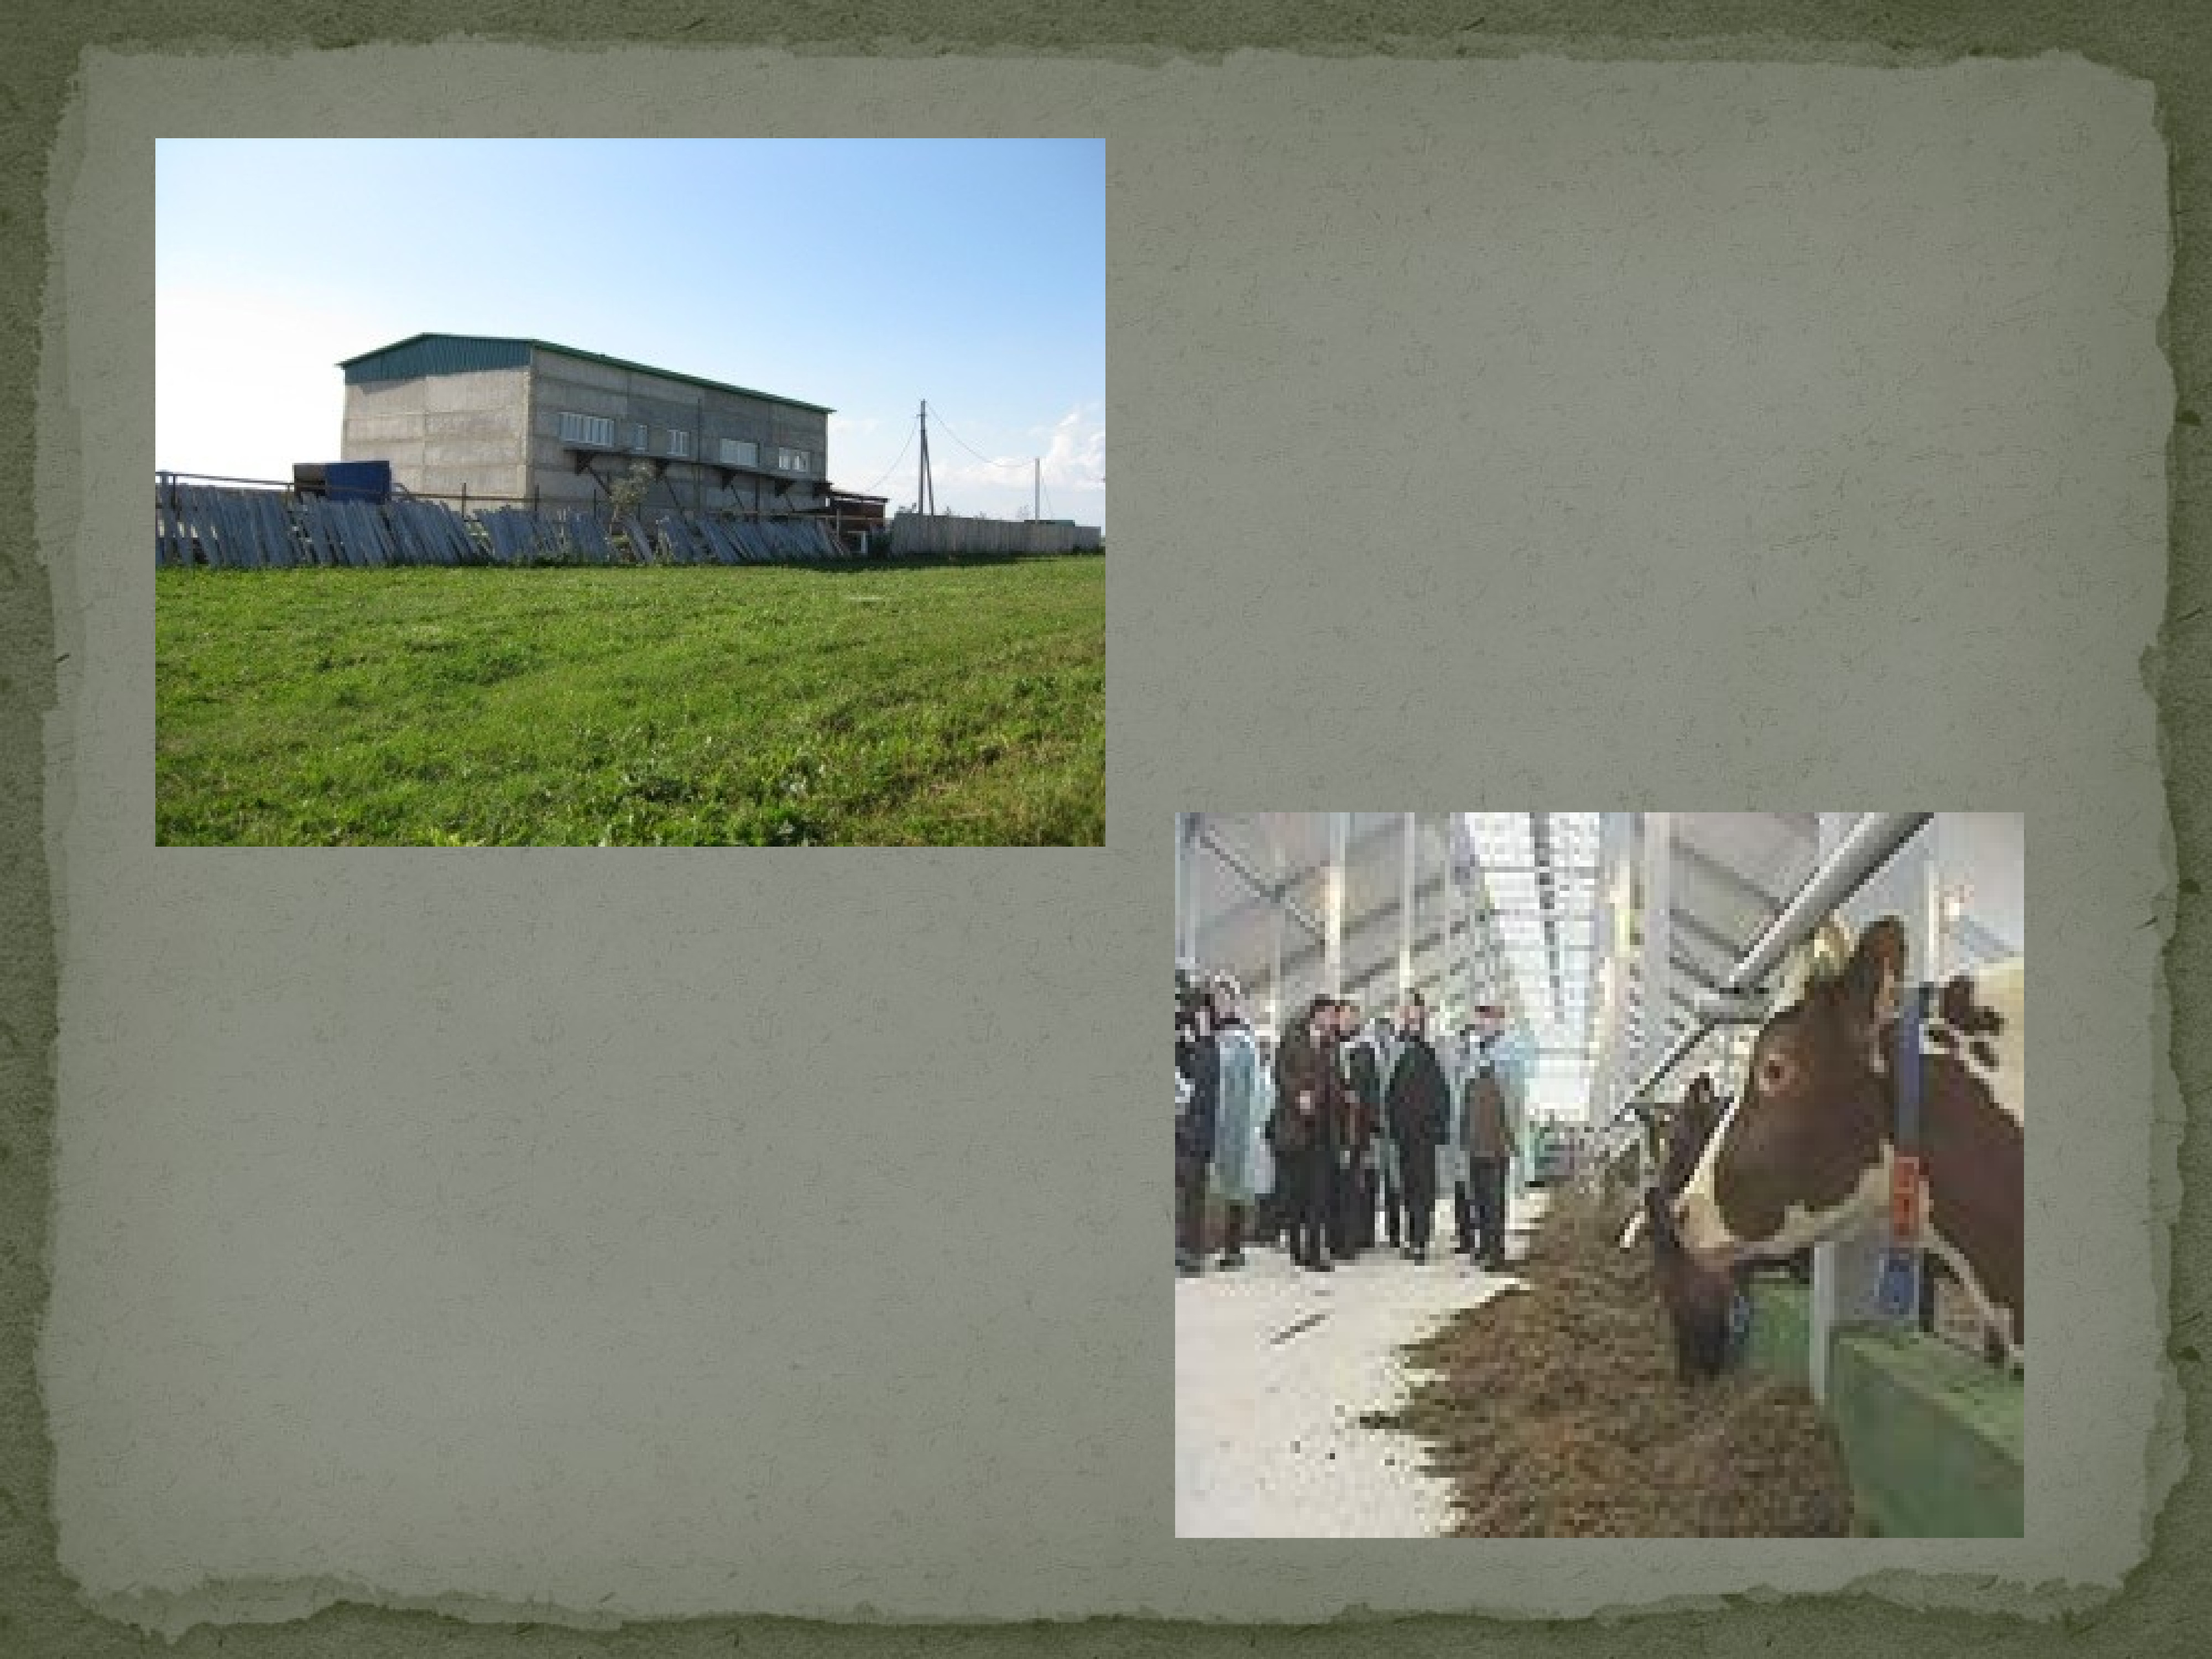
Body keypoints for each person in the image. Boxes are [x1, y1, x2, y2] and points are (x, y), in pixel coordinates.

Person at [1271, 994, 1344, 1272]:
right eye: (1327, 1016)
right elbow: (1280, 1072)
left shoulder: (1331, 1045)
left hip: (1323, 1130)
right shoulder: (1293, 1036)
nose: (1331, 1021)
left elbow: (1334, 1079)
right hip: (1295, 1128)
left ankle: (1315, 1253)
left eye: (1333, 1017)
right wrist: (1297, 1095)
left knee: (1318, 1194)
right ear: (1316, 1015)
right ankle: (1296, 1249)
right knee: (1295, 1193)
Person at [1383, 990, 1450, 1263]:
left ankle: (1421, 1241)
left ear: (1422, 1012)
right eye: (1403, 1008)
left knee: (1423, 1185)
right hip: (1403, 1131)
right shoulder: (1396, 1046)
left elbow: (1442, 1090)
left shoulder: (1432, 1046)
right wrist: (1393, 1122)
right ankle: (1411, 1238)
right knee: (1408, 1185)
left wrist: (1438, 1125)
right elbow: (1391, 1089)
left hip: (1424, 1131)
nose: (1406, 1012)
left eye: (1411, 1008)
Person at [1209, 977, 1265, 1269]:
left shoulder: (1244, 1039)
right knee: (1214, 1182)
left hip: (1238, 1121)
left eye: (1226, 998)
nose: (1221, 1004)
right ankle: (1208, 1241)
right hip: (1210, 1120)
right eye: (1217, 998)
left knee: (1237, 1183)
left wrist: (1252, 1121)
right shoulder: (1206, 1035)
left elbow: (1255, 1085)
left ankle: (1233, 1246)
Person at [1460, 1009, 1522, 1272]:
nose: (1483, 1025)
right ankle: (1484, 1245)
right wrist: (1463, 1132)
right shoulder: (1474, 1055)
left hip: (1496, 1139)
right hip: (1475, 1138)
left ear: (1499, 1023)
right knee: (1480, 1195)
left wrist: (1512, 1137)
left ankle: (1496, 1251)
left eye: (1488, 1021)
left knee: (1495, 1197)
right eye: (1480, 1021)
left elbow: (1513, 1100)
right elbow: (1465, 1097)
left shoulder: (1508, 1054)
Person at [1173, 980, 1220, 1276]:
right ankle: (1184, 1248)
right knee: (1185, 1190)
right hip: (1185, 1127)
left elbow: (1207, 1082)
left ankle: (1192, 1250)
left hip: (1200, 1129)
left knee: (1195, 1192)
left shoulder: (1209, 1044)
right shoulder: (1187, 1043)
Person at [1337, 1000, 1383, 1253]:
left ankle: (1354, 1239)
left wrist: (1372, 1122)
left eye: (1351, 1017)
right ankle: (1338, 1236)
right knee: (1338, 1182)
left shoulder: (1366, 1050)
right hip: (1336, 1126)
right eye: (1343, 1017)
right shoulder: (1332, 1046)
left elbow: (1372, 1087)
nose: (1347, 1021)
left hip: (1358, 1125)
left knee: (1356, 1182)